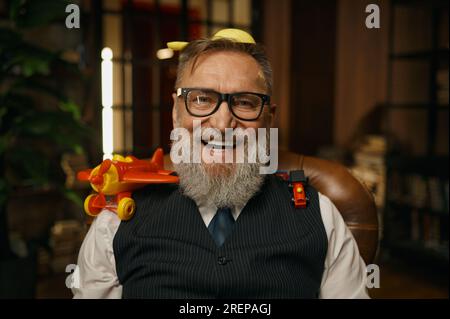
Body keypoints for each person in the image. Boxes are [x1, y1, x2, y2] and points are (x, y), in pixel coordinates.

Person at [72, 29, 369, 299]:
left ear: (269, 119)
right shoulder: (117, 220)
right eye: (202, 99)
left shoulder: (321, 216)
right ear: (176, 113)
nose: (223, 123)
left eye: (245, 102)